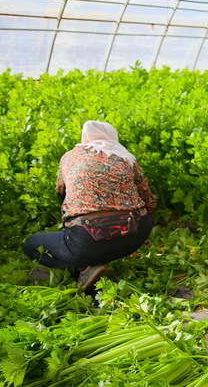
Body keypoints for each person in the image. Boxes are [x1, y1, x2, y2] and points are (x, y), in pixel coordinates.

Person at [24, 121, 156, 288]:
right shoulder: (125, 157)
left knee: (31, 245)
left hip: (88, 239)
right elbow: (149, 200)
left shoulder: (69, 158)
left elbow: (61, 191)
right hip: (136, 232)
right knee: (121, 232)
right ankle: (106, 254)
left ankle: (83, 268)